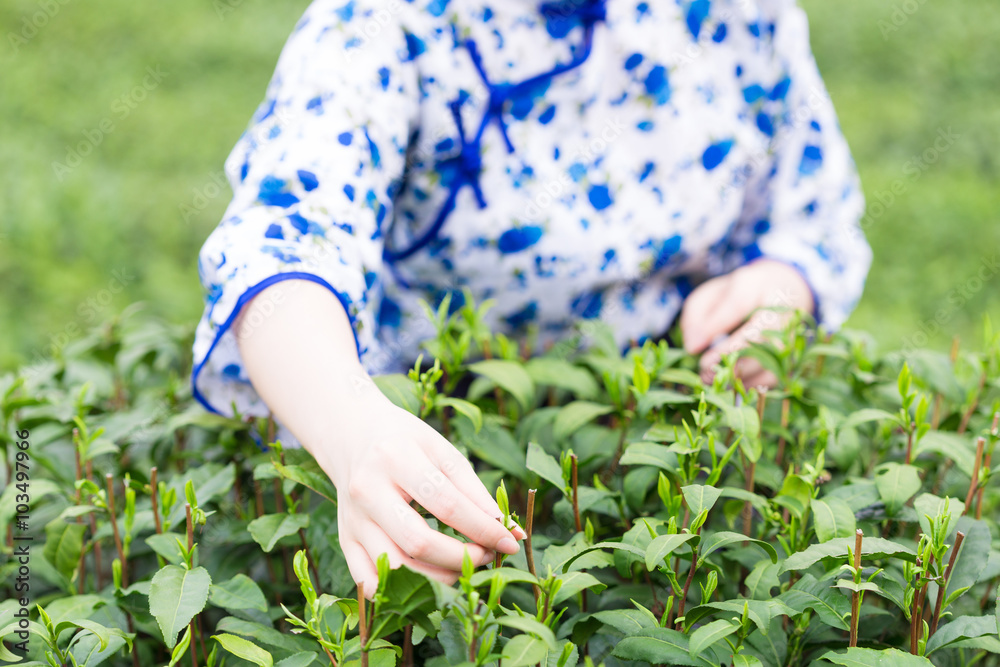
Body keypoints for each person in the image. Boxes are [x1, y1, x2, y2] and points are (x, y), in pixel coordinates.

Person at [191, 0, 871, 593]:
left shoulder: (735, 15)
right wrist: (351, 427)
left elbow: (813, 211)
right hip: (442, 446)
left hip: (675, 444)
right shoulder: (383, 25)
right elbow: (284, 243)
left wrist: (783, 288)